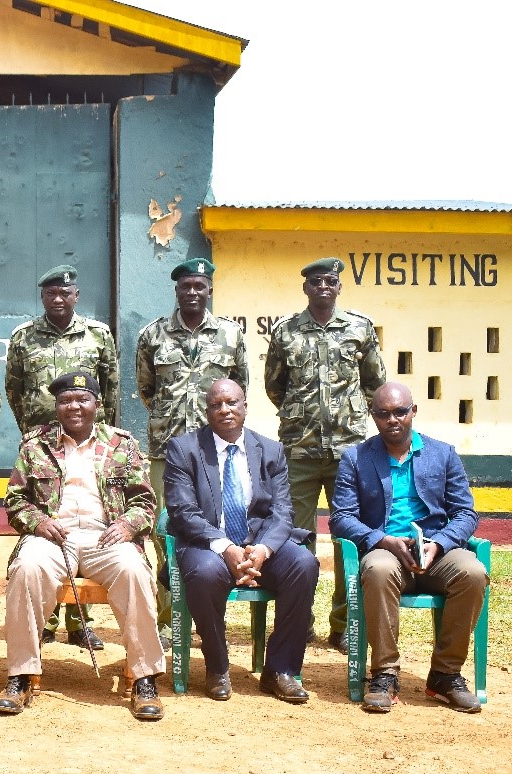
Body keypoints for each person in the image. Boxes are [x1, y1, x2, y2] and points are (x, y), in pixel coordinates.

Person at [0, 371, 165, 721]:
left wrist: (126, 524)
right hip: (54, 537)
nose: (74, 406)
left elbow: (145, 502)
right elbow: (14, 501)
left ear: (97, 405)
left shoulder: (122, 443)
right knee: (27, 569)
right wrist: (39, 522)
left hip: (107, 536)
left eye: (82, 399)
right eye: (65, 400)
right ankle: (20, 677)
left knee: (134, 571)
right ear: (56, 406)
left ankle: (145, 678)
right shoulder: (35, 444)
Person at [329, 382, 487, 714]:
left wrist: (440, 544)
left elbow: (466, 512)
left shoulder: (442, 454)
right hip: (387, 549)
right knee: (378, 568)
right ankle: (385, 674)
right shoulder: (356, 458)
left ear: (413, 411)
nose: (393, 420)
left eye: (400, 412)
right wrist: (382, 540)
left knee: (472, 572)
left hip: (436, 551)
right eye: (384, 414)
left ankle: (445, 674)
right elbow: (341, 518)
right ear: (373, 417)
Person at [162, 379, 318, 703]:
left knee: (303, 564)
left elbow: (282, 512)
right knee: (205, 574)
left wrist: (262, 549)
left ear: (245, 406)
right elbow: (182, 511)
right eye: (216, 405)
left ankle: (280, 670)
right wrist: (226, 547)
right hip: (207, 545)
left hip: (259, 544)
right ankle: (217, 667)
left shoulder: (271, 450)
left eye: (232, 402)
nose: (225, 410)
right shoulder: (184, 449)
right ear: (207, 412)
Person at [263, 256, 386, 653]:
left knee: (347, 538)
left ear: (338, 286)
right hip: (297, 451)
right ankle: (301, 621)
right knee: (296, 540)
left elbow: (374, 384)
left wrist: (354, 426)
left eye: (329, 281)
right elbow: (275, 387)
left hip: (349, 452)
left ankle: (344, 625)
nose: (322, 287)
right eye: (315, 281)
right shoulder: (286, 332)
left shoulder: (359, 329)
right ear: (306, 288)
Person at [135, 258, 248, 651]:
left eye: (199, 286)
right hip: (167, 450)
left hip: (216, 452)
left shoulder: (232, 336)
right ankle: (168, 619)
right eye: (185, 287)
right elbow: (147, 389)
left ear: (209, 289)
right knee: (162, 531)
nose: (192, 293)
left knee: (217, 528)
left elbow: (239, 388)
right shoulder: (153, 336)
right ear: (177, 291)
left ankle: (209, 612)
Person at [5, 265, 120, 648]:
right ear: (43, 296)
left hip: (88, 443)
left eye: (65, 292)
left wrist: (102, 436)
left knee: (85, 522)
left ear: (76, 295)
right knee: (48, 527)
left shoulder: (98, 335)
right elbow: (15, 389)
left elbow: (112, 389)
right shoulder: (24, 338)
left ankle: (79, 622)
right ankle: (46, 618)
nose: (58, 298)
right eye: (51, 292)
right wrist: (34, 434)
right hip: (43, 450)